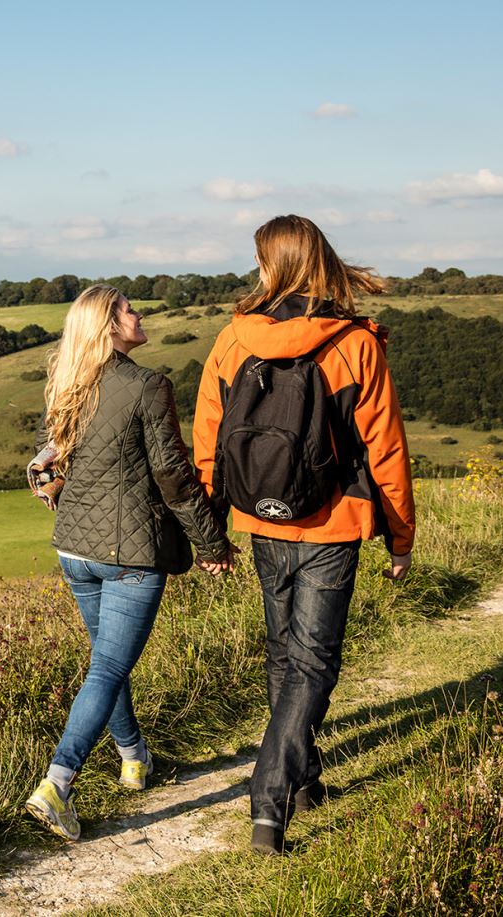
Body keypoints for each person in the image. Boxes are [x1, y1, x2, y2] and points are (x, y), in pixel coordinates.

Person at [192, 214, 415, 855]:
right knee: (312, 661)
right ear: (321, 262)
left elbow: (208, 444)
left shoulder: (234, 339)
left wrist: (211, 531)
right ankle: (270, 803)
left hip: (261, 519)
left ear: (274, 267)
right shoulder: (355, 343)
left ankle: (305, 778)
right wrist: (399, 538)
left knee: (285, 654)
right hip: (333, 521)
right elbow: (387, 451)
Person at [24, 283, 234, 842]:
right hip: (129, 554)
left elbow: (52, 461)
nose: (139, 315)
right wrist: (212, 544)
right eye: (128, 309)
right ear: (110, 326)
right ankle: (57, 784)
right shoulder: (147, 386)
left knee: (106, 664)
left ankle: (134, 759)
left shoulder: (69, 385)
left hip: (73, 549)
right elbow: (173, 476)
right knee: (109, 669)